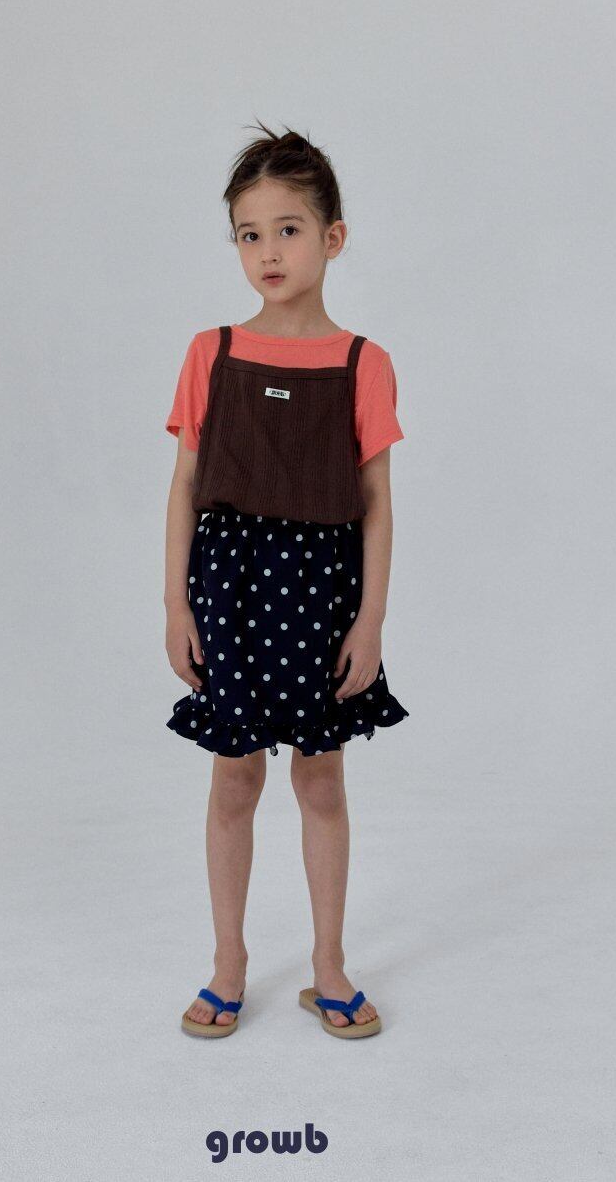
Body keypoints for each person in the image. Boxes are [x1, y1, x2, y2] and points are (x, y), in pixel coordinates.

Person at [163, 121, 409, 1039]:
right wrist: (176, 603)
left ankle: (328, 964)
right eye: (249, 233)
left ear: (332, 237)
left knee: (321, 779)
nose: (267, 252)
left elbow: (377, 502)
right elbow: (185, 485)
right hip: (228, 589)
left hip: (320, 593)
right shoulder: (213, 351)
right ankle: (228, 962)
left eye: (289, 229)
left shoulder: (362, 363)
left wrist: (370, 619)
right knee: (234, 778)